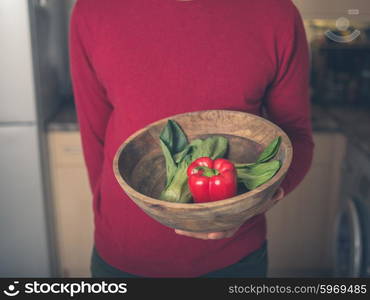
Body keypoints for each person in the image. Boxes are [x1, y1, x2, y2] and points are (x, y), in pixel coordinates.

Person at [69, 0, 314, 278]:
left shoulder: (276, 12)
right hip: (123, 255)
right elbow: (94, 136)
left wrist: (260, 202)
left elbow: (296, 135)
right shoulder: (93, 9)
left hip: (233, 259)